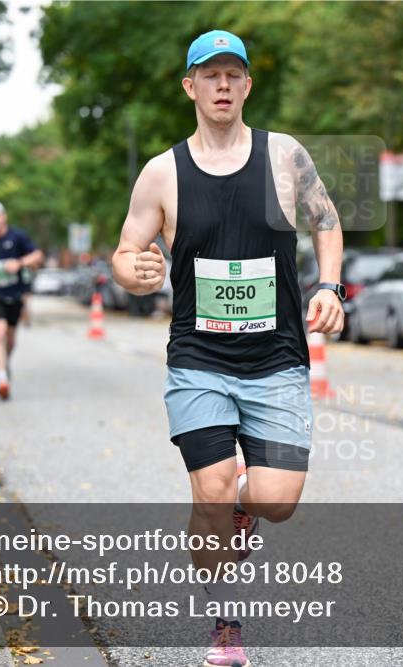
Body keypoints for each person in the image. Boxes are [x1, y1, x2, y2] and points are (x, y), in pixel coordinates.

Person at [112, 29, 344, 667]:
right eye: (209, 75)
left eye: (232, 75)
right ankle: (226, 625)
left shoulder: (285, 156)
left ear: (247, 85)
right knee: (209, 493)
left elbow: (326, 222)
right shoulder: (163, 171)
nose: (221, 85)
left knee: (278, 503)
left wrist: (332, 287)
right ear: (190, 86)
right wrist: (132, 270)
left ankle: (246, 497)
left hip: (277, 361)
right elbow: (127, 249)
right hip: (199, 360)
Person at [0, 201, 43, 400]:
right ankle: (2, 378)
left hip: (14, 294)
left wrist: (19, 263)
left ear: (4, 217)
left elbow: (38, 255)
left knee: (10, 339)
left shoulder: (18, 237)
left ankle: (4, 362)